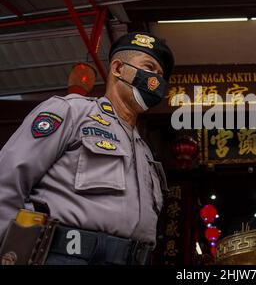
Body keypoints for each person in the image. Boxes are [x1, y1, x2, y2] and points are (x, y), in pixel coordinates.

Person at [0, 32, 174, 265]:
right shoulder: (72, 112)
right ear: (118, 69)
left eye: (161, 75)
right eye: (149, 67)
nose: (156, 80)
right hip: (65, 256)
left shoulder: (144, 151)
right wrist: (10, 255)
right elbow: (7, 179)